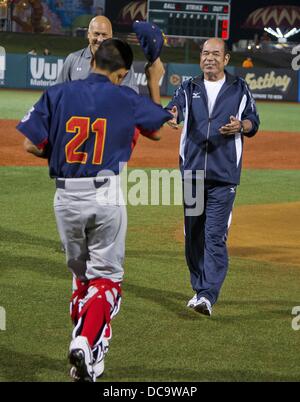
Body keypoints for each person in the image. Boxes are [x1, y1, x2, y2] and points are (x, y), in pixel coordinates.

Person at [16, 39, 172, 382]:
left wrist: (60, 155)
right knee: (107, 280)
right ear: (120, 73)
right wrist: (154, 81)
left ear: (90, 62)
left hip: (66, 200)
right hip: (105, 196)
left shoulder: (57, 95)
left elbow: (30, 143)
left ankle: (91, 356)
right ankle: (86, 340)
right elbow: (158, 131)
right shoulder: (124, 95)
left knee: (82, 278)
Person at [167, 38, 260, 317]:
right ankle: (199, 289)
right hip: (193, 174)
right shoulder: (188, 87)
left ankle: (208, 295)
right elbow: (175, 108)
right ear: (200, 58)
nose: (209, 58)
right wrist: (172, 115)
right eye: (205, 53)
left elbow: (253, 121)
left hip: (224, 176)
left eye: (215, 54)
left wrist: (240, 126)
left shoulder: (239, 88)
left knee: (214, 235)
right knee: (193, 234)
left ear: (226, 59)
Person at [56, 15, 138, 92]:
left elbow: (130, 96)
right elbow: (58, 92)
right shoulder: (73, 59)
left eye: (104, 35)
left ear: (111, 36)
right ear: (88, 34)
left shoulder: (122, 62)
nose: (100, 39)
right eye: (96, 34)